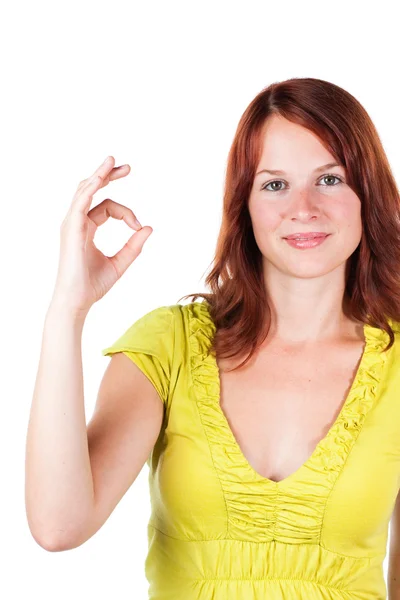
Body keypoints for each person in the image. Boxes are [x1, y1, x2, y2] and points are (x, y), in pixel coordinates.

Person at [25, 77, 400, 599]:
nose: (304, 207)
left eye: (330, 179)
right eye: (274, 184)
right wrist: (67, 310)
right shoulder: (168, 346)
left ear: (369, 192)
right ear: (243, 204)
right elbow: (59, 526)